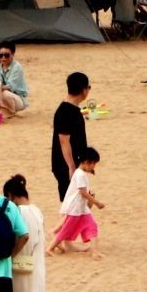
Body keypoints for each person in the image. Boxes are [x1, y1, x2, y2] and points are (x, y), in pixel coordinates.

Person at [48, 146, 102, 257]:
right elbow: (83, 192)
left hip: (81, 209)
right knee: (65, 231)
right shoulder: (80, 174)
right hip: (74, 209)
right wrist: (97, 202)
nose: (94, 167)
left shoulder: (80, 174)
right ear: (87, 162)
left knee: (92, 226)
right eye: (93, 164)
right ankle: (49, 248)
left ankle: (95, 252)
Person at [50, 72, 91, 201]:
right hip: (66, 165)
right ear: (84, 90)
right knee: (70, 203)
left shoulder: (70, 110)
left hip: (71, 163)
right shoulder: (66, 112)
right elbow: (64, 141)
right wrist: (71, 167)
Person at [0, 44, 29, 119]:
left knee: (4, 93)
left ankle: (9, 113)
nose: (3, 58)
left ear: (13, 54)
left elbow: (9, 87)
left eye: (7, 55)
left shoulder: (17, 68)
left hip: (18, 99)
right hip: (1, 95)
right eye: (1, 55)